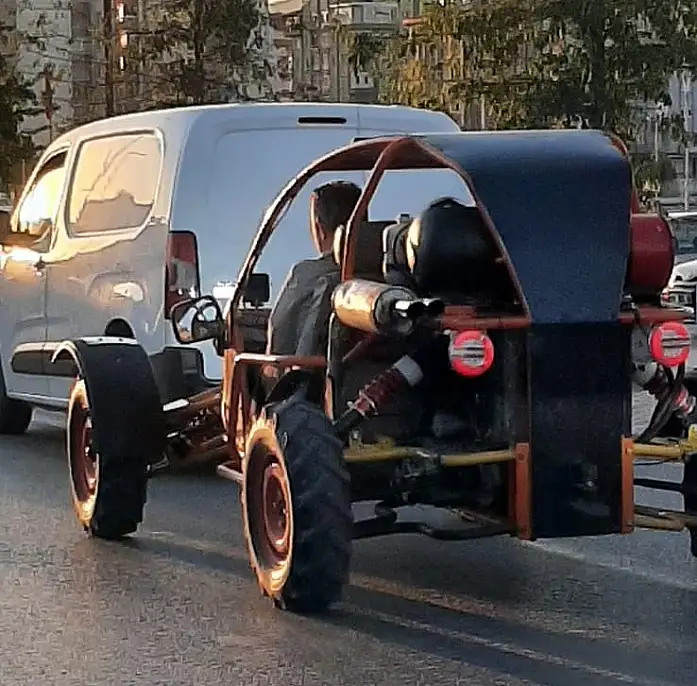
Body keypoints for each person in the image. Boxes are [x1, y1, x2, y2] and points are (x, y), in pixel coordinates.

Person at [266, 180, 362, 356]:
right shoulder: (392, 272)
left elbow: (279, 336)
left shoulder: (305, 274)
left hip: (316, 372)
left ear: (319, 228)